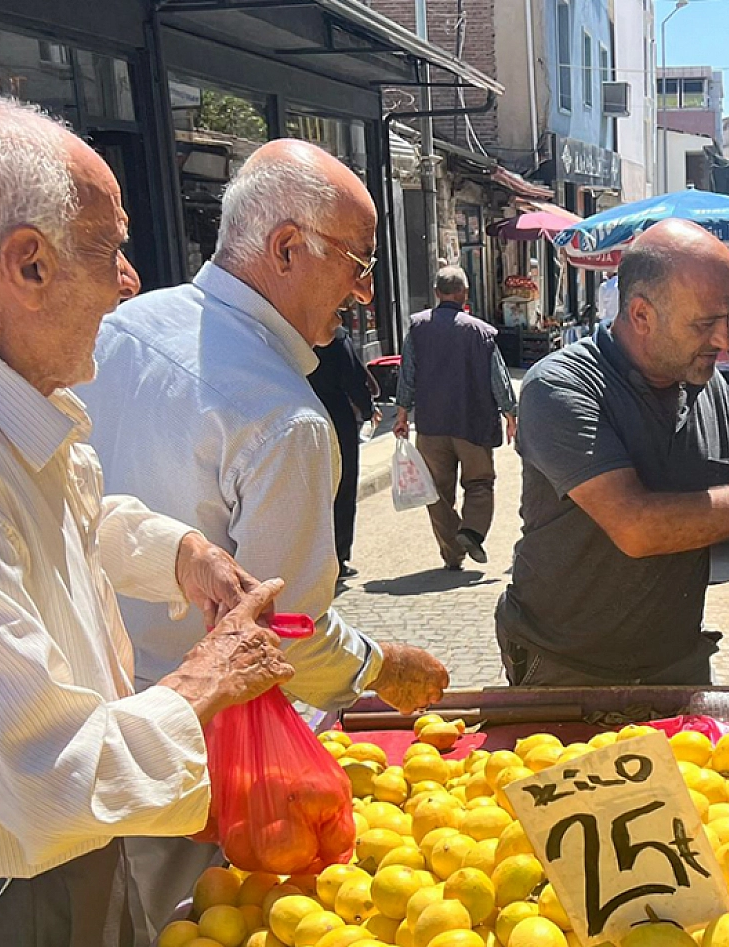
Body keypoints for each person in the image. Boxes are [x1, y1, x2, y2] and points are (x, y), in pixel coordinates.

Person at [0, 96, 298, 947]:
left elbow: (67, 514)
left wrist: (179, 552)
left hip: (62, 862)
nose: (131, 280)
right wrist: (204, 680)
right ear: (28, 264)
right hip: (6, 896)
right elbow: (49, 772)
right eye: (112, 250)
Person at [80, 139, 451, 941]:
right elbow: (285, 632)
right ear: (286, 247)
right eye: (356, 263)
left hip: (90, 735)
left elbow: (85, 512)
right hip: (201, 763)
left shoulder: (121, 325)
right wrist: (385, 666)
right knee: (205, 921)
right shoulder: (282, 417)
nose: (363, 292)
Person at [497, 220, 729, 685]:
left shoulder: (707, 382)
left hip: (676, 661)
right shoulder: (561, 388)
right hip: (565, 668)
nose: (723, 341)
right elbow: (636, 527)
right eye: (704, 324)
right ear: (641, 315)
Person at [393, 266, 519, 570]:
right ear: (465, 294)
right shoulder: (481, 332)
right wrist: (510, 413)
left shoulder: (418, 328)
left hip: (432, 425)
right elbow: (498, 379)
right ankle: (472, 531)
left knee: (436, 491)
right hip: (472, 423)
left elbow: (407, 374)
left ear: (437, 293)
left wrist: (401, 415)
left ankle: (452, 552)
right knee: (479, 482)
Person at [309, 322, 379, 579]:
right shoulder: (336, 336)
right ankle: (338, 557)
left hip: (301, 414)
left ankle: (311, 558)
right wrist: (368, 409)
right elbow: (353, 377)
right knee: (343, 486)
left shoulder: (292, 334)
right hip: (336, 419)